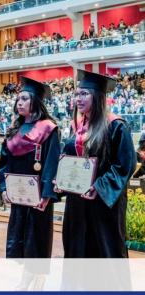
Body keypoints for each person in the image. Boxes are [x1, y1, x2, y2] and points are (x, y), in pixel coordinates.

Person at [58, 70, 136, 258]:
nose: (78, 98)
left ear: (98, 96)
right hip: (77, 202)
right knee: (77, 247)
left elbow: (125, 165)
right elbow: (69, 160)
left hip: (102, 204)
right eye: (77, 94)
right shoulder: (76, 126)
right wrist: (61, 181)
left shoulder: (116, 125)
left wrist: (99, 187)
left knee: (104, 249)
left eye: (84, 93)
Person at [0, 77, 61, 259]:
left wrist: (47, 194)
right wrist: (3, 188)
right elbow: (4, 164)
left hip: (38, 196)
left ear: (37, 101)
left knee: (37, 238)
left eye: (25, 98)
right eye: (18, 99)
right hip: (18, 194)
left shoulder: (48, 129)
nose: (20, 102)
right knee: (18, 235)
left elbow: (52, 163)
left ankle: (35, 278)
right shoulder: (14, 129)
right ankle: (26, 276)